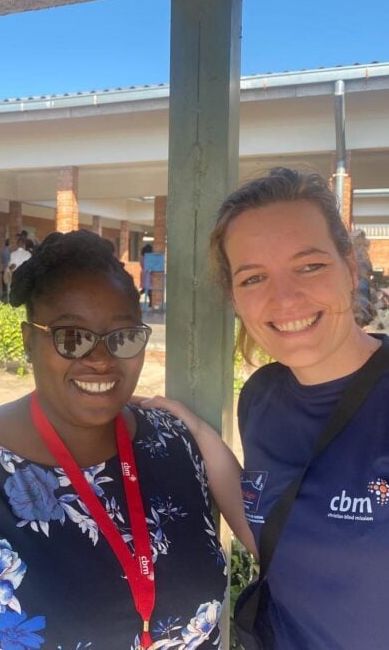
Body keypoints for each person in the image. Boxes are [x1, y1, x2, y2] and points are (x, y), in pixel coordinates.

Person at [0, 230, 227, 650]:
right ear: (28, 340)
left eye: (123, 336)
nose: (101, 359)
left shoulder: (175, 446)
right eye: (71, 337)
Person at [148, 167, 388, 649]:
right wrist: (195, 429)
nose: (284, 298)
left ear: (351, 268)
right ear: (234, 297)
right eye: (254, 277)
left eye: (310, 265)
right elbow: (271, 532)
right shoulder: (261, 398)